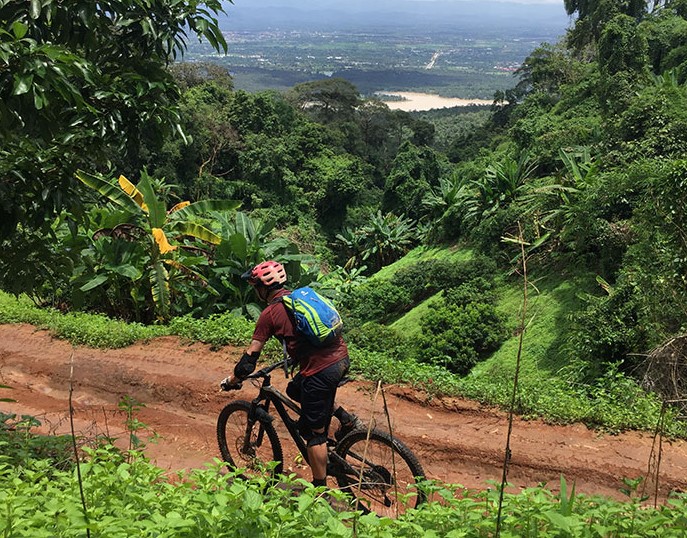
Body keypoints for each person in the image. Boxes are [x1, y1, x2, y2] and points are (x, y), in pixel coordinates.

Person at [221, 260, 362, 487]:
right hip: (342, 358)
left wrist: (233, 380)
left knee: (313, 433)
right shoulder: (302, 297)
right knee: (294, 389)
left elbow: (250, 359)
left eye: (256, 286)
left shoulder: (270, 313)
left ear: (262, 288)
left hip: (320, 370)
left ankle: (319, 491)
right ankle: (346, 420)